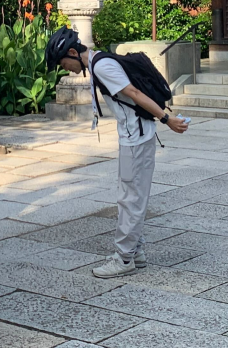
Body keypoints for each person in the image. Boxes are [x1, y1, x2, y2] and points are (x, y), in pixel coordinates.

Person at [45, 26, 189, 278]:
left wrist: (167, 119)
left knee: (130, 198)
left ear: (71, 52)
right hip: (134, 135)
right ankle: (136, 251)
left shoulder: (101, 66)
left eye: (63, 63)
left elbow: (133, 93)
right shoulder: (99, 61)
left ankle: (124, 259)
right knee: (132, 194)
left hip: (135, 138)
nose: (65, 68)